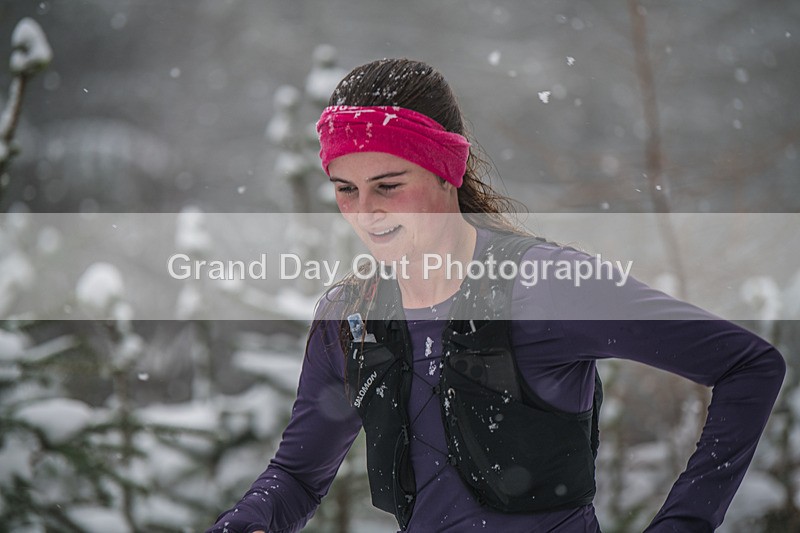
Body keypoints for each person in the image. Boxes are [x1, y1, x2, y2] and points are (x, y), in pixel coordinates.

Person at [207, 58, 785, 532]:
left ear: (445, 172)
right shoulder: (351, 316)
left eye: (389, 186)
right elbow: (299, 477)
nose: (366, 213)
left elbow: (747, 365)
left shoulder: (548, 287)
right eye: (346, 190)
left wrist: (684, 523)